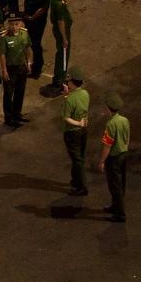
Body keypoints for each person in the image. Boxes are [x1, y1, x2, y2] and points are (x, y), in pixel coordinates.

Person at [98, 92, 130, 223]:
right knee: (121, 183)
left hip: (114, 157)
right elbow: (127, 138)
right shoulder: (124, 120)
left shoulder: (111, 124)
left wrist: (101, 161)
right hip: (124, 154)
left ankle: (120, 214)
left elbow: (107, 145)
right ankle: (115, 206)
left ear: (108, 108)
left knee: (114, 185)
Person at [0, 12, 32, 126]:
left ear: (20, 24)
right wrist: (4, 71)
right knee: (8, 94)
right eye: (11, 24)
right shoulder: (5, 38)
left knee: (20, 92)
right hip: (10, 69)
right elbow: (2, 55)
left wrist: (29, 63)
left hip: (21, 66)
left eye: (16, 24)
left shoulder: (24, 34)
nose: (14, 27)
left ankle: (17, 113)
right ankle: (9, 117)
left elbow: (28, 48)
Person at [61, 66, 89, 196]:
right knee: (79, 157)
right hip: (83, 130)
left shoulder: (71, 99)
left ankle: (81, 186)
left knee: (77, 160)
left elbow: (66, 117)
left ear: (72, 82)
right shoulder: (85, 94)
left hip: (72, 132)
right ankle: (75, 180)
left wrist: (67, 96)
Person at [49, 0, 73, 88]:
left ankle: (60, 76)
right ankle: (60, 78)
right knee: (63, 54)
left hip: (61, 30)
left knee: (62, 54)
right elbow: (60, 22)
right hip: (62, 32)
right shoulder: (58, 3)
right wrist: (64, 38)